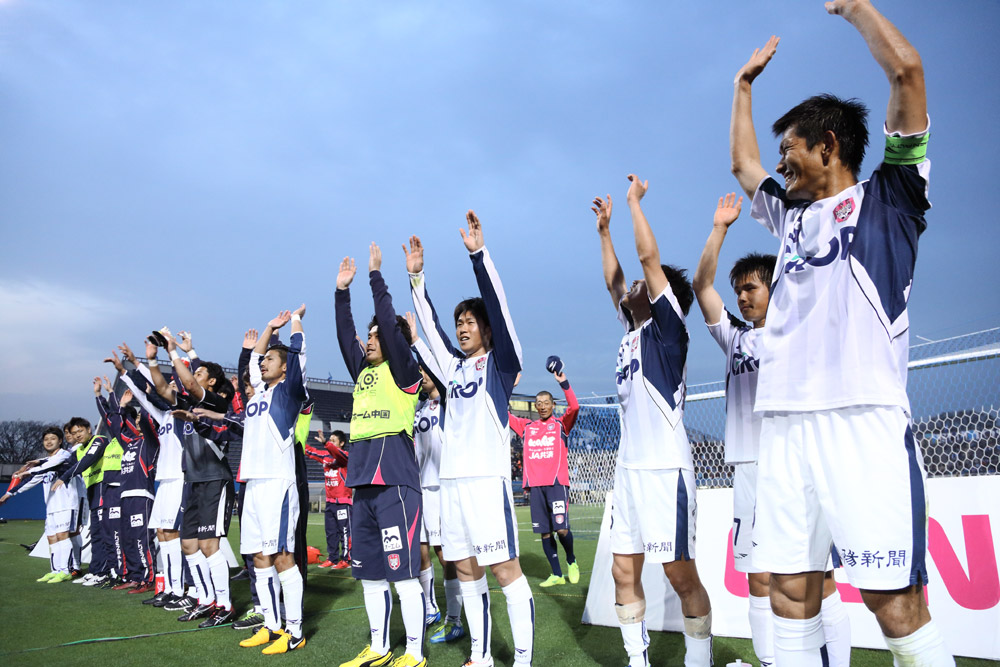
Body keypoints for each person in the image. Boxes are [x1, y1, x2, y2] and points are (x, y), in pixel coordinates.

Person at [729, 3, 951, 663]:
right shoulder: (790, 217)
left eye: (791, 150)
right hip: (785, 425)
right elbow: (744, 168)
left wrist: (855, 8)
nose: (781, 164)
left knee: (895, 606)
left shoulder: (893, 198)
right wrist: (742, 86)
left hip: (864, 422)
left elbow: (908, 71)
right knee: (790, 594)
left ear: (828, 145)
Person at [692, 194, 851, 665]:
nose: (742, 296)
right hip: (748, 468)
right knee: (758, 579)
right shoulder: (735, 338)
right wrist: (719, 228)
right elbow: (702, 285)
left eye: (752, 288)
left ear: (776, 289)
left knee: (818, 579)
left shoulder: (800, 331)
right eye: (738, 289)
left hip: (797, 464)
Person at [592, 176, 712, 667]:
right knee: (624, 572)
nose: (634, 289)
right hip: (628, 471)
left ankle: (698, 660)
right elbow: (616, 281)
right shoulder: (631, 328)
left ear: (665, 300)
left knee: (681, 577)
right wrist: (604, 233)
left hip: (666, 470)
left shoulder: (669, 331)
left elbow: (646, 263)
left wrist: (634, 203)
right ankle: (636, 661)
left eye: (645, 287)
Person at [406, 211, 535, 667]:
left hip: (486, 482)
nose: (462, 328)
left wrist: (479, 256)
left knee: (504, 571)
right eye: (459, 322)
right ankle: (481, 656)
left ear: (485, 329)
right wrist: (417, 279)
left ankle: (521, 659)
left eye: (470, 322)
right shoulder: (452, 368)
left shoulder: (501, 366)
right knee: (464, 570)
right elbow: (431, 332)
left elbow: (497, 308)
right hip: (453, 485)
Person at [335, 244, 426, 667]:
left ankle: (414, 653)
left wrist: (376, 276)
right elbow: (343, 334)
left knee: (403, 575)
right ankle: (378, 648)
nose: (368, 340)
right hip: (362, 487)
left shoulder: (404, 372)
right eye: (368, 337)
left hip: (396, 486)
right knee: (370, 576)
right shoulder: (364, 373)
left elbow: (390, 327)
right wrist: (341, 293)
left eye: (375, 336)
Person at [238, 305, 309, 654]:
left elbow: (299, 355)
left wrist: (295, 322)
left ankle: (294, 631)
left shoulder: (289, 391)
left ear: (284, 367)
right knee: (258, 557)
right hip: (253, 483)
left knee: (282, 556)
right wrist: (269, 326)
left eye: (271, 360)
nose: (264, 362)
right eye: (264, 360)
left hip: (278, 485)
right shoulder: (259, 393)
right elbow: (252, 358)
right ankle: (270, 624)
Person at [405, 311, 465, 644]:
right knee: (422, 550)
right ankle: (430, 608)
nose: (422, 375)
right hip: (421, 488)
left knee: (446, 553)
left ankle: (456, 617)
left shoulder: (448, 403)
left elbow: (436, 365)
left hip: (443, 489)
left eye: (426, 370)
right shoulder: (420, 409)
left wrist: (417, 341)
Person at [508, 359, 580, 588]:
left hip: (557, 484)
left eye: (546, 402)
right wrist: (510, 387)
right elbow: (503, 411)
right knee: (545, 533)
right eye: (538, 403)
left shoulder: (561, 425)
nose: (541, 406)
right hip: (536, 487)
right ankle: (556, 574)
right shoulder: (527, 427)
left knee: (561, 528)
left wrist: (564, 382)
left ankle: (571, 560)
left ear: (552, 405)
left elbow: (575, 407)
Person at [1, 426, 79, 583]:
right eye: (46, 439)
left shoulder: (64, 455)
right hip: (51, 506)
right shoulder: (44, 464)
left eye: (53, 439)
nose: (49, 442)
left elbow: (47, 465)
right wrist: (9, 494)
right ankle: (55, 570)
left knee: (63, 536)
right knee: (51, 538)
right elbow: (33, 480)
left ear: (60, 441)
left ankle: (66, 570)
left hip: (66, 503)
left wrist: (27, 471)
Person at [53, 416, 119, 588]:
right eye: (74, 434)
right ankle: (95, 571)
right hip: (93, 491)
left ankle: (104, 572)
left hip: (104, 488)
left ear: (89, 429)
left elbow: (87, 461)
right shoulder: (79, 450)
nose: (78, 436)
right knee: (96, 532)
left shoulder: (99, 440)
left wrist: (66, 477)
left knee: (103, 532)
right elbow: (64, 465)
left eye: (80, 431)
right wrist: (35, 468)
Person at [305, 429, 352, 570]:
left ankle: (346, 559)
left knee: (344, 532)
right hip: (330, 502)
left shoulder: (345, 456)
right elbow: (310, 452)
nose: (331, 442)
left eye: (334, 440)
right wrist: (299, 440)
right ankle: (332, 558)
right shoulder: (325, 456)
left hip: (343, 502)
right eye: (330, 440)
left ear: (342, 443)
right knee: (331, 532)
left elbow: (337, 454)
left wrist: (326, 443)